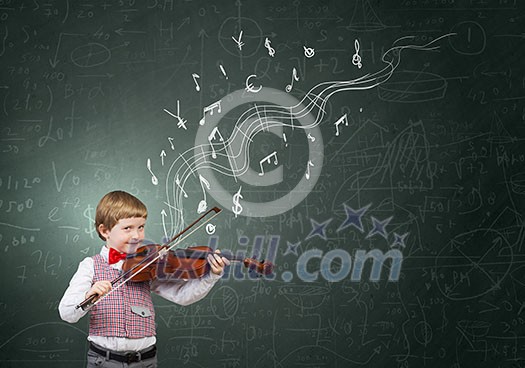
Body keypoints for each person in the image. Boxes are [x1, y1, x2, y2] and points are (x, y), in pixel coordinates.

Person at [59, 190, 229, 367]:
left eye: (141, 227)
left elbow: (182, 295)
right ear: (105, 231)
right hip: (104, 361)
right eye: (128, 228)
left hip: (146, 361)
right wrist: (89, 295)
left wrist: (211, 276)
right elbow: (66, 313)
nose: (137, 236)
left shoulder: (148, 264)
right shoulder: (90, 265)